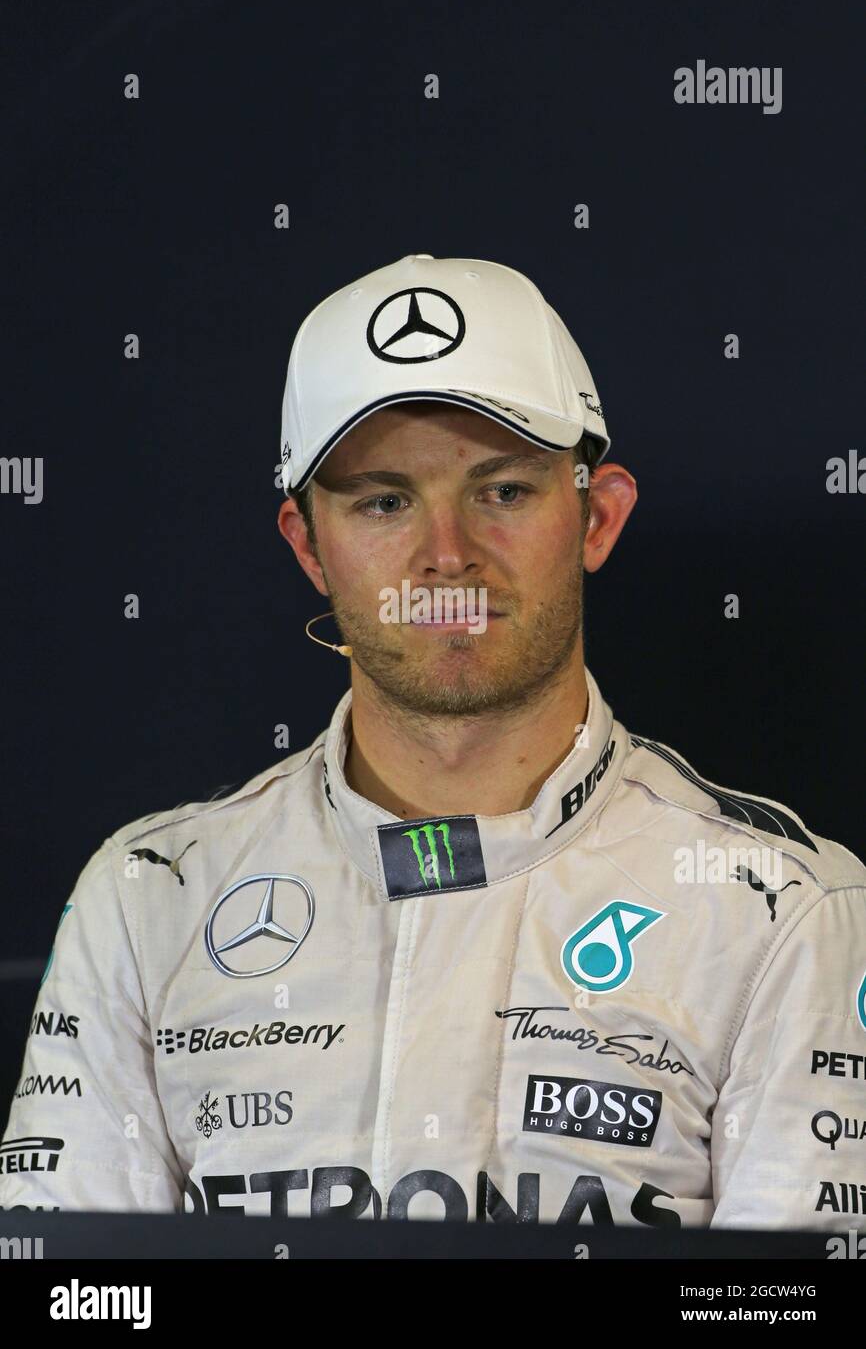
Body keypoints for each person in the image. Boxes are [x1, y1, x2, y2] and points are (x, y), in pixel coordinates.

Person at [2, 253, 864, 1229]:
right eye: (382, 501)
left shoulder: (782, 910)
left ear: (597, 515)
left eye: (501, 491)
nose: (445, 554)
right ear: (306, 544)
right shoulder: (147, 895)